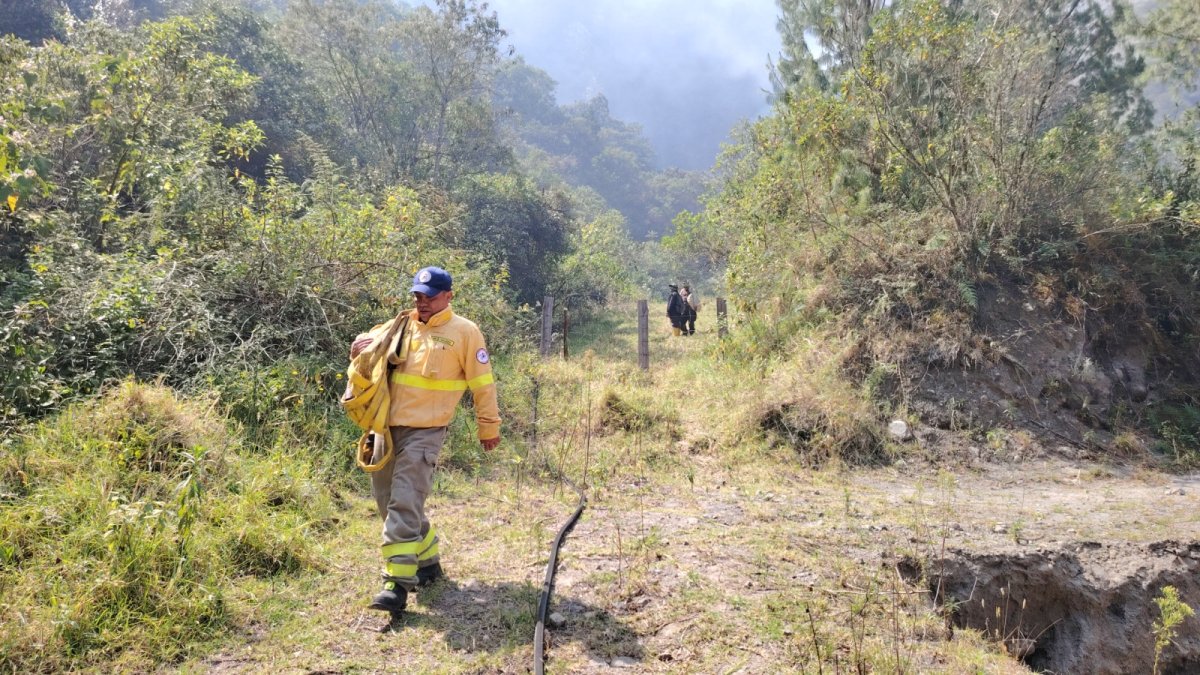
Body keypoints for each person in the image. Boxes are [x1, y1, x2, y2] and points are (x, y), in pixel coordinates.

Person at [347, 266, 501, 616]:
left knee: (404, 502)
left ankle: (396, 585)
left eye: (429, 297)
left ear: (448, 295)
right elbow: (367, 347)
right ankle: (428, 564)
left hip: (426, 431)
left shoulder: (465, 332)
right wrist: (359, 345)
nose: (422, 302)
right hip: (384, 429)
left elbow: (483, 385)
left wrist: (488, 427)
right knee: (389, 503)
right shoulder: (400, 324)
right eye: (418, 296)